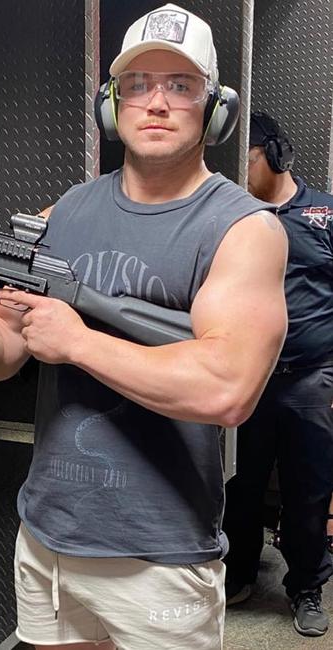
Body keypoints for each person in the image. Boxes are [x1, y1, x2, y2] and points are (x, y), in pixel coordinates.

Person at [0, 5, 287, 648]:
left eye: (181, 86)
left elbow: (226, 390)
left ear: (215, 108)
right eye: (138, 85)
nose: (158, 103)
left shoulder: (243, 229)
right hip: (49, 537)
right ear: (112, 104)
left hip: (160, 552)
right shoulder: (65, 212)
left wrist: (80, 341)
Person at [222, 111, 333, 637]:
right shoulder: (234, 218)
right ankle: (239, 572)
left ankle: (306, 586)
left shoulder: (324, 215)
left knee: (308, 488)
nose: (238, 171)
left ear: (276, 155)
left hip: (311, 378)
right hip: (250, 377)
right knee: (240, 485)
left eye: (245, 159)